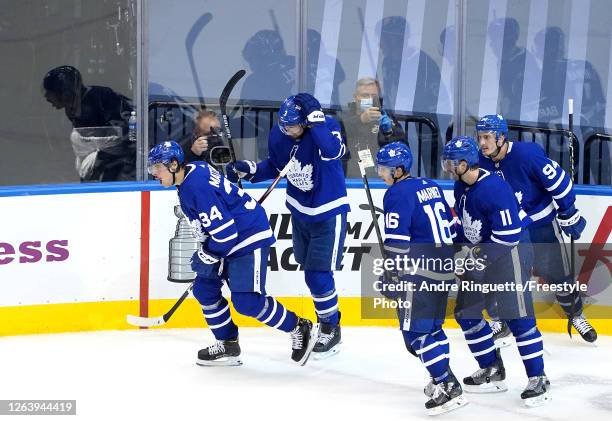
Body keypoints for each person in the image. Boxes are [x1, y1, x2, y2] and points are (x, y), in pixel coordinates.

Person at [147, 140, 320, 366]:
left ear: (173, 164)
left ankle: (299, 326)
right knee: (204, 289)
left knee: (247, 302)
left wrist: (206, 255)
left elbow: (226, 234)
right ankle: (228, 344)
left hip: (247, 237)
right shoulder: (193, 170)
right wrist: (208, 251)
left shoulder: (194, 188)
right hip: (226, 238)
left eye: (157, 169)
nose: (155, 174)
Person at [226, 93, 349, 359]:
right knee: (310, 273)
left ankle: (331, 327)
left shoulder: (326, 127)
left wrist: (316, 123)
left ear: (306, 122)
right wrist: (250, 170)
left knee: (317, 275)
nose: (286, 129)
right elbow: (276, 165)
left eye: (292, 125)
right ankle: (326, 322)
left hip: (328, 213)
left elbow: (333, 151)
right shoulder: (279, 134)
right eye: (283, 124)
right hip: (299, 212)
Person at [442, 136, 550, 407]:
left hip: (510, 253)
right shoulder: (461, 185)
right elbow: (468, 225)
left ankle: (539, 378)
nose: (447, 167)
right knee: (466, 313)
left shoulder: (494, 189)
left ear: (465, 164)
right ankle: (492, 368)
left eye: (451, 163)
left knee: (517, 318)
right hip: (483, 255)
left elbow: (509, 236)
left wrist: (474, 259)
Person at [476, 114, 595, 343]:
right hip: (509, 231)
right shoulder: (481, 162)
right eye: (480, 137)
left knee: (558, 274)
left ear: (501, 137)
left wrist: (568, 212)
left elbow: (559, 182)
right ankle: (502, 320)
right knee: (503, 277)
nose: (482, 143)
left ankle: (576, 315)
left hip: (541, 226)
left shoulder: (527, 154)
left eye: (487, 137)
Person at [375, 142, 466, 415]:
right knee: (434, 329)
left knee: (415, 334)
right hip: (444, 264)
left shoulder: (395, 195)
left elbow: (397, 243)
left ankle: (447, 383)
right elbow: (452, 225)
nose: (381, 174)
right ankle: (440, 378)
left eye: (385, 169)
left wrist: (392, 274)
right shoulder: (431, 185)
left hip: (419, 271)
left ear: (399, 170)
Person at [42, 65, 135, 182]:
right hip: (101, 164)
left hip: (121, 166)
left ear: (66, 91)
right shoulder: (71, 109)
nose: (47, 97)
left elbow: (126, 138)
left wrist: (100, 157)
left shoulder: (102, 98)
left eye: (51, 92)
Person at [341, 77, 406, 177]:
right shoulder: (344, 118)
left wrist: (389, 132)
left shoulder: (386, 117)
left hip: (382, 175)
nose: (370, 99)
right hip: (352, 176)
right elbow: (339, 141)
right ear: (355, 97)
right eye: (365, 95)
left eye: (373, 96)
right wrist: (361, 120)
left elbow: (403, 149)